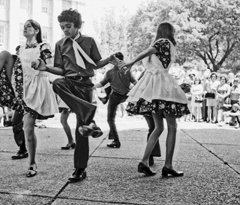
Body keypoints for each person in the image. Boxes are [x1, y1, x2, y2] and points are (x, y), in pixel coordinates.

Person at [0, 19, 58, 177]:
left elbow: (49, 65)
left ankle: (32, 163)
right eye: (24, 27)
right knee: (4, 55)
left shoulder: (44, 46)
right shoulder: (22, 48)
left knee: (28, 129)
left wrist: (41, 64)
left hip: (35, 87)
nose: (25, 29)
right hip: (20, 84)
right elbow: (16, 68)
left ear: (37, 30)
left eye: (29, 26)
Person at [36, 9, 115, 183]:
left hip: (85, 85)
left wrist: (109, 59)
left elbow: (96, 64)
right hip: (69, 82)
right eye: (62, 27)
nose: (65, 30)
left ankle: (80, 169)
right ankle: (87, 111)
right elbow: (60, 69)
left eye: (68, 26)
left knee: (82, 129)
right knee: (57, 83)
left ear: (77, 26)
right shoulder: (60, 44)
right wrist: (46, 68)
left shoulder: (89, 41)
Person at [124, 22, 190, 177]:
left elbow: (149, 53)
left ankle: (144, 161)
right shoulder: (164, 42)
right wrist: (131, 62)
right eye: (173, 30)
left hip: (153, 87)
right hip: (162, 86)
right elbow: (148, 52)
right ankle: (168, 165)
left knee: (158, 127)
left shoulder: (158, 42)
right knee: (172, 127)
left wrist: (132, 62)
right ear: (169, 31)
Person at [93, 52, 137, 148]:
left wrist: (92, 87)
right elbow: (135, 82)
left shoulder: (110, 72)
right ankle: (113, 139)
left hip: (115, 97)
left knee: (110, 119)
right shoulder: (127, 70)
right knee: (111, 118)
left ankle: (116, 140)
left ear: (114, 61)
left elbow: (101, 84)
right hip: (125, 95)